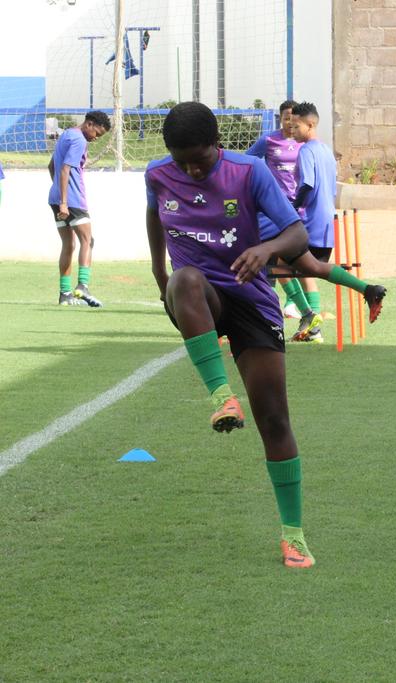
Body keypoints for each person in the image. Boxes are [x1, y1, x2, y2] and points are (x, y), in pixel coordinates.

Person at [145, 102, 316, 568]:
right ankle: (222, 397)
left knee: (274, 419)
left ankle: (294, 535)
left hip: (250, 299)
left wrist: (266, 248)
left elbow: (297, 236)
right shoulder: (157, 174)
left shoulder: (249, 171)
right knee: (185, 280)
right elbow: (154, 216)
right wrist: (160, 274)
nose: (190, 170)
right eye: (181, 161)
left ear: (216, 144)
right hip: (199, 297)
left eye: (199, 159)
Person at [288, 101, 387, 342]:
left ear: (310, 124)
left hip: (309, 222)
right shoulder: (326, 152)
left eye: (296, 126)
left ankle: (308, 317)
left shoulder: (306, 151)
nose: (292, 130)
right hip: (326, 224)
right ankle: (314, 324)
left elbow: (307, 184)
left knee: (276, 265)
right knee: (309, 269)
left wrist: (291, 208)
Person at [247, 99, 304, 320]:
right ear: (281, 118)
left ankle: (294, 304)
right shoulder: (269, 140)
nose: (290, 122)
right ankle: (270, 300)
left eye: (293, 118)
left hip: (299, 205)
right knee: (274, 256)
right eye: (286, 118)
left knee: (296, 257)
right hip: (275, 207)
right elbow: (248, 160)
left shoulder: (304, 143)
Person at [47, 110, 111, 307]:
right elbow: (65, 169)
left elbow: (51, 166)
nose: (96, 138)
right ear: (89, 124)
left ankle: (65, 294)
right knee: (87, 241)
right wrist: (65, 201)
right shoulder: (79, 140)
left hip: (55, 198)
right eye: (97, 133)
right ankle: (83, 285)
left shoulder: (66, 134)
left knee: (69, 245)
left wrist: (58, 193)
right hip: (72, 200)